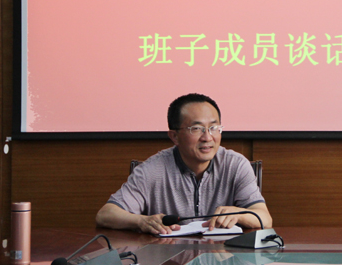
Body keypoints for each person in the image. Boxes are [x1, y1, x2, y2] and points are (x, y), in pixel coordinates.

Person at [96, 93, 271, 235]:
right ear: (174, 136)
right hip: (167, 260)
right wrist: (141, 221)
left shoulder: (235, 165)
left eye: (214, 128)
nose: (207, 137)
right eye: (196, 129)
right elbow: (106, 214)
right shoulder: (153, 170)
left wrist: (239, 215)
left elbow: (264, 218)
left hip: (222, 258)